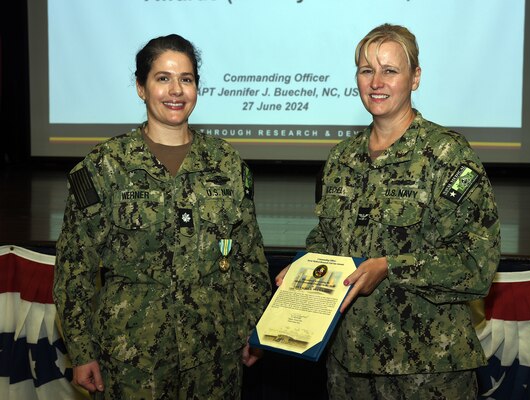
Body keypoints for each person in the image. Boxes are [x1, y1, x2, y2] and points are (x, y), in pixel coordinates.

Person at [277, 23, 500, 399]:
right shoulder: (341, 159)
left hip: (428, 371)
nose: (376, 82)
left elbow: (476, 265)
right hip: (349, 368)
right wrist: (305, 264)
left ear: (415, 78)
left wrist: (390, 267)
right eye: (367, 71)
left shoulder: (448, 156)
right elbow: (327, 239)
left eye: (390, 71)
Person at [53, 34, 271, 399]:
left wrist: (257, 328)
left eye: (186, 79)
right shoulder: (105, 167)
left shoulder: (226, 164)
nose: (176, 90)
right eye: (163, 78)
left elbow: (248, 257)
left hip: (214, 355)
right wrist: (82, 350)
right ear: (141, 87)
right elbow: (74, 267)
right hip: (132, 359)